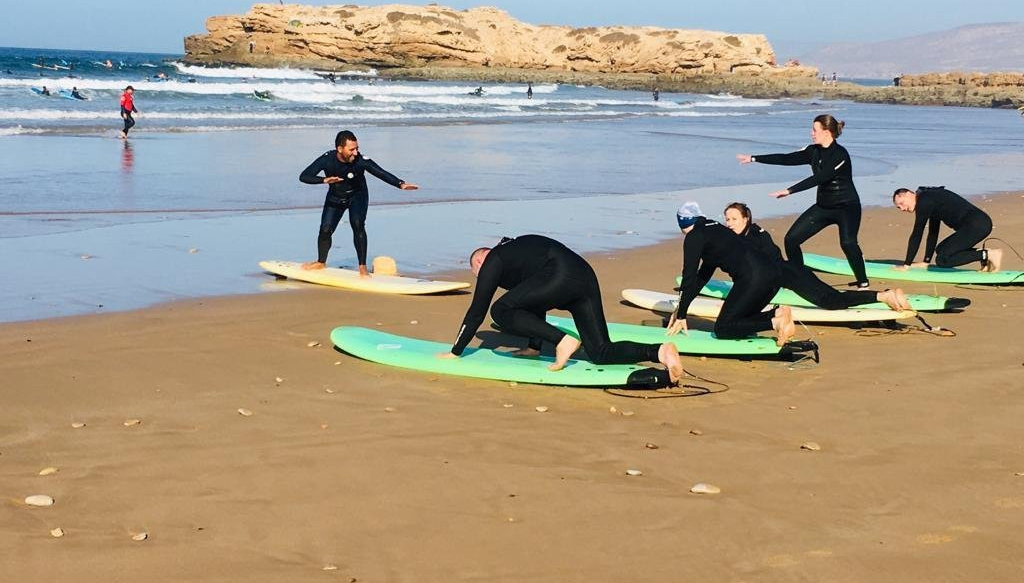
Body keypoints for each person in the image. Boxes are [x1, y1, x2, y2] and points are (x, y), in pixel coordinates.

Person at [439, 234, 684, 382]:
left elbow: (477, 310)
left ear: (481, 260)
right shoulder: (518, 254)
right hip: (583, 275)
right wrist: (534, 347)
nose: (483, 279)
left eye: (478, 273)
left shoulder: (494, 259)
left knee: (500, 310)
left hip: (559, 273)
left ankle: (562, 341)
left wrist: (456, 351)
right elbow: (533, 301)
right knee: (600, 351)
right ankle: (660, 352)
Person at [737, 114, 869, 287]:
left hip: (847, 207)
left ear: (827, 132)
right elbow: (786, 158)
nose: (811, 133)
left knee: (848, 243)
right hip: (824, 206)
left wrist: (790, 190)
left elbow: (820, 178)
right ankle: (800, 279)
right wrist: (754, 158)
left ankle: (862, 281)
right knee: (791, 240)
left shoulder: (840, 155)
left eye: (815, 130)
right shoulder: (812, 151)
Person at [723, 202, 910, 311]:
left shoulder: (749, 239)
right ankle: (885, 294)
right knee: (832, 296)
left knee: (831, 301)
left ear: (746, 219)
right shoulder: (755, 232)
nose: (729, 224)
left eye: (734, 219)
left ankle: (883, 296)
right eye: (727, 219)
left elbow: (763, 266)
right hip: (794, 270)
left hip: (791, 275)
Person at [667, 202, 796, 347]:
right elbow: (702, 277)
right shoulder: (716, 228)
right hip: (775, 275)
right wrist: (682, 308)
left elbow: (689, 276)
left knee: (723, 328)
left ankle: (776, 322)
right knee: (742, 319)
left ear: (682, 224)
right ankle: (778, 314)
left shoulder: (694, 236)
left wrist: (681, 316)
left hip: (754, 278)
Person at [299, 130, 418, 275]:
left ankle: (362, 266)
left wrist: (400, 184)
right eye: (352, 149)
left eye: (357, 148)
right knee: (325, 229)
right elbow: (304, 176)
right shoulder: (327, 159)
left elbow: (380, 172)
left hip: (358, 196)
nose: (355, 153)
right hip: (335, 196)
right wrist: (323, 180)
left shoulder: (360, 160)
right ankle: (321, 262)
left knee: (357, 224)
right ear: (340, 149)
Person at [892, 186, 1002, 272]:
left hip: (977, 225)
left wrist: (907, 265)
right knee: (941, 250)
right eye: (898, 207)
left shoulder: (924, 202)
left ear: (909, 194)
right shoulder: (928, 197)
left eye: (901, 203)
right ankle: (983, 255)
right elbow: (933, 232)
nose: (901, 208)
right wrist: (926, 261)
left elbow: (917, 234)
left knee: (943, 260)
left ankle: (988, 255)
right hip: (977, 223)